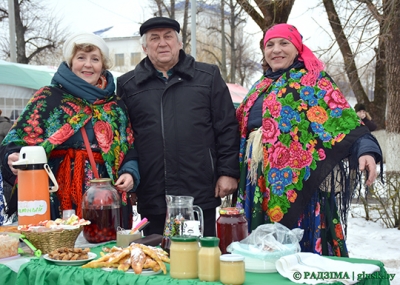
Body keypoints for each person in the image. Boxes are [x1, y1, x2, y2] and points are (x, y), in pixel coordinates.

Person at [235, 23, 382, 257]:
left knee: (298, 252)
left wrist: (367, 151)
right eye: (270, 45)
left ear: (297, 48)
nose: (276, 50)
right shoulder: (259, 87)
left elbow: (346, 122)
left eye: (284, 43)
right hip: (257, 184)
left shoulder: (314, 82)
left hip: (301, 186)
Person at [0, 32, 139, 228]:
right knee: (58, 247)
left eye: (95, 59)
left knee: (103, 247)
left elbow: (128, 147)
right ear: (71, 62)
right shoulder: (47, 98)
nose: (88, 64)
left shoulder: (115, 106)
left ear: (103, 65)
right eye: (81, 57)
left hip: (103, 195)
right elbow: (16, 140)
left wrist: (130, 172)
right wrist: (12, 156)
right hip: (54, 191)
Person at [117, 17, 239, 237]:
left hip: (199, 190)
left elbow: (227, 127)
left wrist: (228, 172)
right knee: (158, 262)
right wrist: (132, 178)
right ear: (145, 47)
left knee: (201, 260)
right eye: (154, 38)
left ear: (180, 43)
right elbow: (125, 138)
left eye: (168, 37)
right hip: (153, 193)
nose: (162, 43)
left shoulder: (208, 76)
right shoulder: (128, 85)